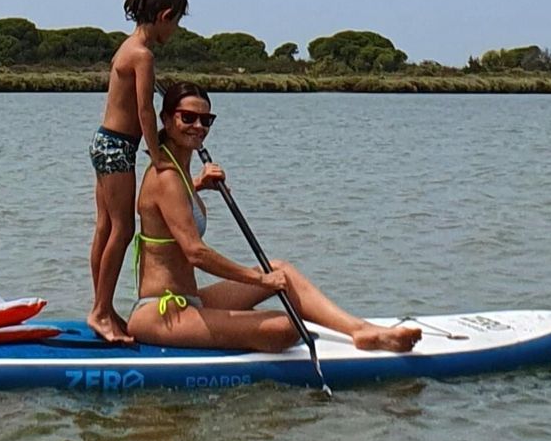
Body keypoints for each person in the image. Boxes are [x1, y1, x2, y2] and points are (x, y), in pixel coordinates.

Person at [127, 82, 423, 354]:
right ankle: (245, 327)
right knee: (286, 327)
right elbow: (195, 253)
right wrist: (258, 279)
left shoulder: (179, 175)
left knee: (281, 269)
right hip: (163, 314)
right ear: (166, 120)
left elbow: (168, 209)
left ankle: (360, 331)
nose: (198, 126)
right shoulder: (165, 176)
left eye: (206, 120)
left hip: (192, 299)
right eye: (187, 118)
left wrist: (198, 185)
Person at [87, 0, 188, 344]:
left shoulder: (126, 47)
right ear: (164, 15)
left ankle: (103, 307)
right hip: (117, 147)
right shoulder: (143, 55)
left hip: (106, 142)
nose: (175, 29)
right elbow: (146, 110)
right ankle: (100, 311)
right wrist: (159, 155)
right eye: (176, 21)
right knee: (122, 230)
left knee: (105, 228)